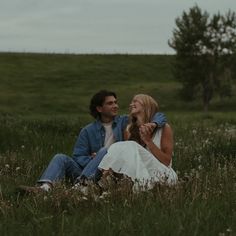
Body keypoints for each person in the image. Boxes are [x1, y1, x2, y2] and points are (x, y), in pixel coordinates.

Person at [18, 90, 167, 194]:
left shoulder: (123, 122)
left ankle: (79, 188)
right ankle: (44, 188)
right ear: (99, 108)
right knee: (60, 157)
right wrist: (92, 160)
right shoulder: (87, 131)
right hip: (89, 169)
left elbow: (159, 115)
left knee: (104, 151)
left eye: (115, 102)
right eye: (110, 103)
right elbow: (77, 157)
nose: (115, 105)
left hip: (108, 171)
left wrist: (154, 124)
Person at [98, 94, 177, 191]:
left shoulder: (164, 128)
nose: (131, 104)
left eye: (135, 101)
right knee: (121, 146)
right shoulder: (129, 130)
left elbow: (166, 161)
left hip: (162, 174)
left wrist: (148, 141)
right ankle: (109, 176)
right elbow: (129, 160)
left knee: (129, 144)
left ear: (146, 105)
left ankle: (106, 176)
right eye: (131, 102)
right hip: (140, 173)